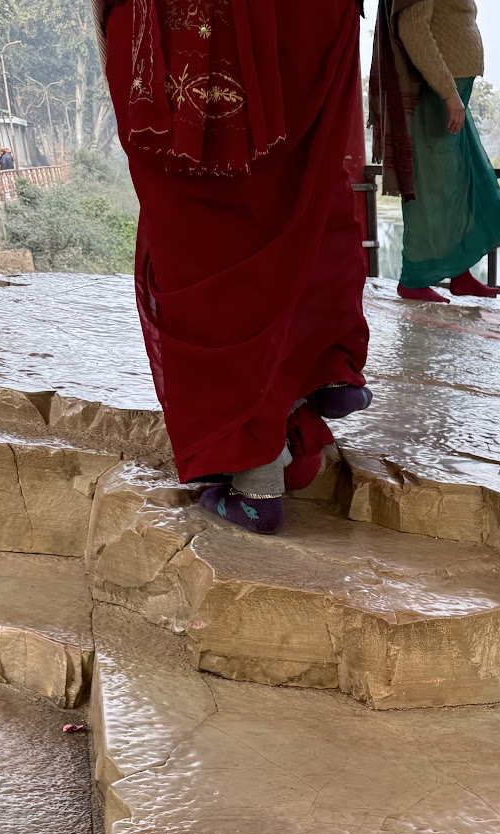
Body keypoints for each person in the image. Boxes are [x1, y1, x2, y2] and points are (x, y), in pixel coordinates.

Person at [94, 0, 370, 535]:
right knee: (301, 190)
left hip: (197, 19)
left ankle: (255, 475)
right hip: (317, 18)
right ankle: (322, 376)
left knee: (206, 227)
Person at [370, 0, 500, 303]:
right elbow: (412, 29)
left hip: (452, 91)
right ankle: (413, 280)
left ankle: (459, 273)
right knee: (432, 186)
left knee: (461, 181)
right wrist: (448, 93)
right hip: (438, 92)